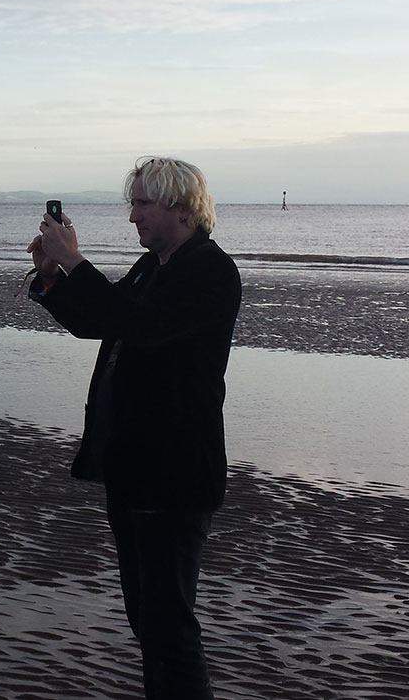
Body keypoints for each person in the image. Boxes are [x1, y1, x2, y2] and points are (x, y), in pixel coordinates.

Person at [27, 156, 240, 700]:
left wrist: (75, 261)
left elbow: (143, 328)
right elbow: (102, 321)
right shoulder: (154, 267)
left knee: (168, 626)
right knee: (148, 620)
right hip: (133, 466)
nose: (133, 216)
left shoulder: (209, 270)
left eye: (143, 204)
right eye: (133, 203)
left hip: (174, 472)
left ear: (182, 207)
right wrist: (52, 278)